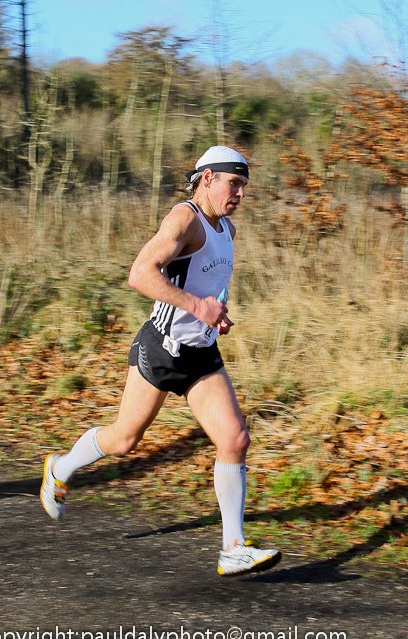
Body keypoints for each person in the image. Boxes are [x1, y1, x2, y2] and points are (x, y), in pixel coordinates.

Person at [40, 145, 281, 576]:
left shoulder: (227, 228)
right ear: (208, 178)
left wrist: (215, 314)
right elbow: (140, 273)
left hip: (201, 354)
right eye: (234, 183)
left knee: (235, 440)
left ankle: (233, 548)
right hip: (161, 350)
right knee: (124, 440)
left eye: (244, 186)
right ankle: (60, 468)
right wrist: (197, 306)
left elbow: (204, 284)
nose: (241, 194)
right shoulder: (184, 219)